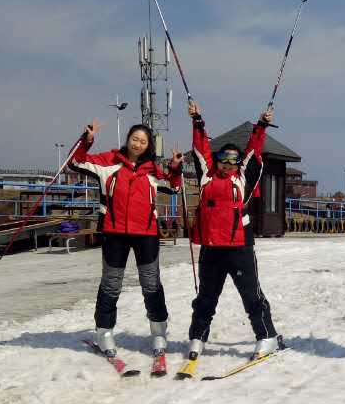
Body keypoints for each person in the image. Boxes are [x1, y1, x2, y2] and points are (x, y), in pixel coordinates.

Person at [70, 119, 184, 357]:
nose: (138, 144)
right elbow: (75, 162)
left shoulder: (153, 170)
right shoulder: (108, 162)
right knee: (111, 284)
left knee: (151, 284)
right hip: (115, 234)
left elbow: (174, 188)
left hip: (146, 234)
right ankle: (104, 333)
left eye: (143, 141)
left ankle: (159, 332)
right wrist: (86, 141)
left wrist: (175, 168)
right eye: (135, 139)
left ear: (148, 145)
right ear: (128, 140)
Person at [185, 100, 282, 361]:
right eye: (223, 158)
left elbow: (253, 151)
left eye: (233, 159)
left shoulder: (243, 178)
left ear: (239, 163)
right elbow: (200, 149)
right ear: (216, 161)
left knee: (251, 295)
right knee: (206, 297)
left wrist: (261, 125)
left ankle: (267, 336)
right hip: (211, 248)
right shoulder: (206, 176)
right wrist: (197, 121)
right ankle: (197, 336)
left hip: (240, 248)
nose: (227, 163)